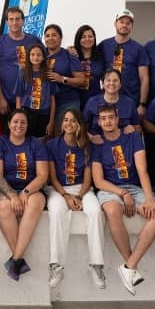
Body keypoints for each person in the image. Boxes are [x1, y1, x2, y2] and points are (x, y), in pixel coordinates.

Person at [91, 104, 155, 295]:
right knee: (113, 211)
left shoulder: (132, 137)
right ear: (99, 122)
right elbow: (98, 181)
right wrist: (122, 194)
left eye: (111, 117)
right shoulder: (97, 144)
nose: (108, 121)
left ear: (117, 119)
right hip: (110, 188)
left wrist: (149, 198)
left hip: (134, 186)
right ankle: (131, 268)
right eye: (103, 118)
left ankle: (129, 265)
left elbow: (142, 170)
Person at [45, 110, 105, 289]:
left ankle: (96, 265)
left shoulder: (87, 147)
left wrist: (78, 196)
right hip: (59, 190)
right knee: (56, 212)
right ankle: (56, 266)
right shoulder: (52, 145)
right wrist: (65, 196)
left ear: (79, 124)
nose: (69, 124)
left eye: (73, 121)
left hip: (82, 190)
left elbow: (88, 179)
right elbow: (52, 178)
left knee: (95, 211)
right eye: (65, 120)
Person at [0, 109, 49, 280]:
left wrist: (26, 191)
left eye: (23, 122)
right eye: (15, 121)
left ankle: (16, 259)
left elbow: (43, 175)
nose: (19, 125)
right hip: (5, 188)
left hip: (31, 188)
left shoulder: (36, 144)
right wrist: (13, 195)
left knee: (35, 204)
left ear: (28, 125)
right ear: (9, 124)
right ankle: (18, 260)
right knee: (4, 206)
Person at [0, 6, 42, 134]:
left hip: (29, 100)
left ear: (23, 21)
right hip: (6, 100)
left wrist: (70, 50)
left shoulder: (33, 40)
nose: (14, 22)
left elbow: (45, 59)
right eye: (11, 19)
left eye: (17, 19)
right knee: (6, 136)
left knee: (28, 136)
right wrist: (1, 97)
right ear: (7, 22)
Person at [98, 10, 149, 109]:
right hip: (107, 100)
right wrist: (72, 49)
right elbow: (88, 54)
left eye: (128, 23)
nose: (124, 25)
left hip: (131, 101)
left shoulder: (139, 49)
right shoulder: (104, 45)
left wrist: (142, 104)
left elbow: (144, 78)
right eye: (121, 22)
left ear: (132, 26)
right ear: (115, 23)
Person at [42, 24, 84, 119]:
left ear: (61, 38)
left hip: (67, 102)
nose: (50, 38)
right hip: (44, 104)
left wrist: (62, 79)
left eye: (54, 35)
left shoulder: (69, 55)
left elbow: (82, 81)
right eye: (47, 36)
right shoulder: (39, 54)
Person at [14, 43, 56, 139]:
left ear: (43, 57)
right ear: (28, 57)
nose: (35, 57)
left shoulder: (48, 74)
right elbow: (18, 97)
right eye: (32, 54)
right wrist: (18, 117)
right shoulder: (23, 73)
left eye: (39, 55)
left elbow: (53, 100)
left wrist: (51, 122)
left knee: (41, 142)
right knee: (26, 141)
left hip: (43, 115)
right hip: (27, 114)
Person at [83, 68, 140, 135]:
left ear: (120, 84)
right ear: (103, 84)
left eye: (115, 80)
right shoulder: (92, 102)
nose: (112, 83)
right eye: (108, 80)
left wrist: (133, 128)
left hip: (124, 140)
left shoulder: (129, 103)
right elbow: (83, 128)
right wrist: (91, 138)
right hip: (97, 140)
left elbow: (138, 128)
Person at [70, 24, 104, 110]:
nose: (87, 39)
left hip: (95, 101)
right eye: (83, 37)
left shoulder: (100, 57)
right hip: (74, 101)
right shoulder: (72, 56)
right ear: (78, 39)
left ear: (94, 38)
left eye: (90, 36)